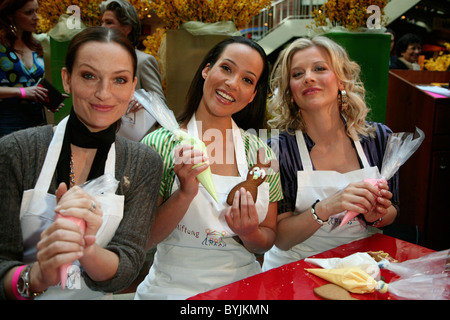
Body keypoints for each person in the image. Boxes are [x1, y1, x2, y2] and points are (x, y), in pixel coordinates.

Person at [0, 27, 163, 300]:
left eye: (119, 80)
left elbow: (128, 263)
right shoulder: (17, 151)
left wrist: (87, 249)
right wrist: (37, 276)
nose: (103, 93)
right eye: (89, 76)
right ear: (67, 79)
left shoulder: (143, 163)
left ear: (134, 86)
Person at [135, 36, 283, 300]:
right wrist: (184, 194)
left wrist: (250, 233)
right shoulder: (159, 144)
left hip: (242, 291)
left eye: (247, 80)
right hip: (170, 290)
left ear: (252, 96)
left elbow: (268, 237)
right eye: (226, 68)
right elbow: (141, 241)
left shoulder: (261, 155)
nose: (232, 83)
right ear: (206, 70)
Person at [262, 36, 399, 271]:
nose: (309, 77)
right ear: (290, 93)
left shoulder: (378, 139)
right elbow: (281, 239)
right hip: (294, 270)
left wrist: (375, 214)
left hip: (360, 269)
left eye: (319, 68)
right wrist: (326, 207)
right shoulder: (278, 149)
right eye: (297, 74)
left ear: (341, 81)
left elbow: (391, 213)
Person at [100, 0, 165, 140]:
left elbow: (160, 103)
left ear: (127, 28)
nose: (103, 27)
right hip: (104, 140)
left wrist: (144, 101)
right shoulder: (99, 61)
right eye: (102, 22)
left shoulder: (143, 61)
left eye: (109, 22)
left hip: (135, 145)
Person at [0, 0, 64, 137]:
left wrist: (49, 97)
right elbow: (25, 89)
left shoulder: (36, 44)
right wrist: (22, 92)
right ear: (10, 15)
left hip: (37, 121)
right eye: (29, 12)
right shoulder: (1, 46)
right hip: (7, 121)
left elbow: (34, 83)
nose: (36, 17)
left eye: (36, 11)